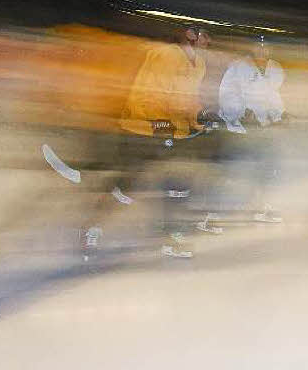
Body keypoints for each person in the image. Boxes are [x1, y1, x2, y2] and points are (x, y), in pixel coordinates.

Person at [81, 23, 216, 259]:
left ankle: (172, 239)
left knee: (178, 186)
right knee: (127, 189)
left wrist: (201, 118)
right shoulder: (166, 56)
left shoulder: (199, 64)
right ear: (190, 35)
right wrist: (163, 125)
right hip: (140, 131)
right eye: (204, 35)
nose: (208, 41)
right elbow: (147, 97)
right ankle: (92, 227)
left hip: (170, 133)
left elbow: (188, 100)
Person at [207, 34, 285, 224]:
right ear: (251, 47)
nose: (262, 50)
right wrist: (240, 113)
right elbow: (227, 93)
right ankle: (212, 212)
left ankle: (263, 208)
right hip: (238, 129)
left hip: (263, 129)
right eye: (258, 46)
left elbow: (274, 95)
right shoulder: (238, 67)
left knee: (267, 169)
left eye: (265, 46)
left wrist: (280, 115)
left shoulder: (275, 68)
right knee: (230, 171)